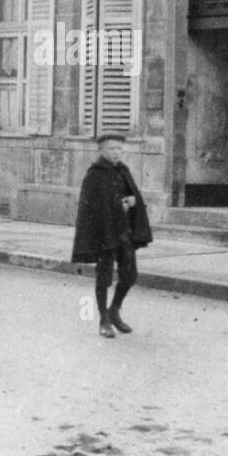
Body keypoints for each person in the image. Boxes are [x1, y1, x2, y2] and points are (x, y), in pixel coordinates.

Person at [71, 133, 153, 338]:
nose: (116, 152)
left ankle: (114, 310)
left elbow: (133, 196)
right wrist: (121, 205)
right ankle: (103, 319)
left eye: (119, 149)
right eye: (111, 149)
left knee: (130, 275)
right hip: (103, 234)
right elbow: (91, 207)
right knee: (104, 277)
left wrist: (133, 202)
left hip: (124, 233)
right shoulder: (95, 174)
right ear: (101, 150)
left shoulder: (122, 170)